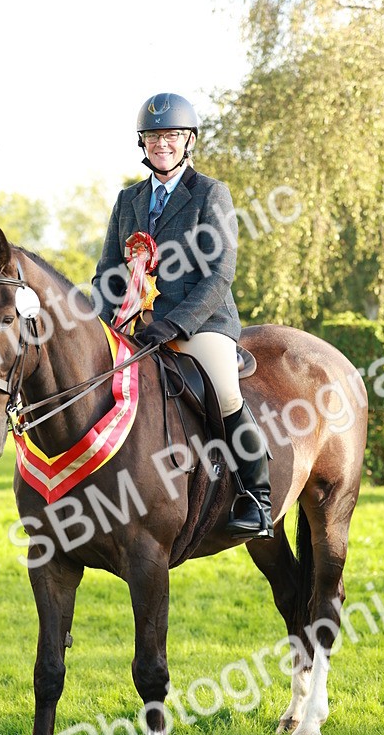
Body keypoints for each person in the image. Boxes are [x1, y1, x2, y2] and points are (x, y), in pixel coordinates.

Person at [92, 92, 273, 539]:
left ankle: (257, 498)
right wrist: (94, 321)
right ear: (143, 143)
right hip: (133, 327)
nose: (162, 144)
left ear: (187, 140)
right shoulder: (128, 200)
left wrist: (176, 323)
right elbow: (108, 273)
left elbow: (220, 273)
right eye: (154, 137)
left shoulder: (210, 193)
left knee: (225, 392)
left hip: (199, 324)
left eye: (171, 135)